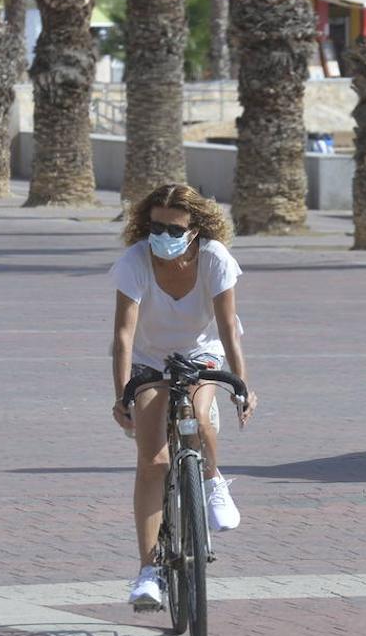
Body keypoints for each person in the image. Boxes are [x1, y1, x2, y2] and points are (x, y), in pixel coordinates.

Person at [109, 183, 257, 612]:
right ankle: (148, 571)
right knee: (152, 461)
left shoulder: (214, 258)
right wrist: (122, 395)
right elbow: (122, 334)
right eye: (156, 225)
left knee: (202, 418)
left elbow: (229, 328)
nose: (163, 235)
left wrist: (242, 384)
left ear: (196, 228)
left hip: (201, 353)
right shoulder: (134, 261)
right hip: (149, 357)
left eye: (174, 228)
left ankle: (211, 481)